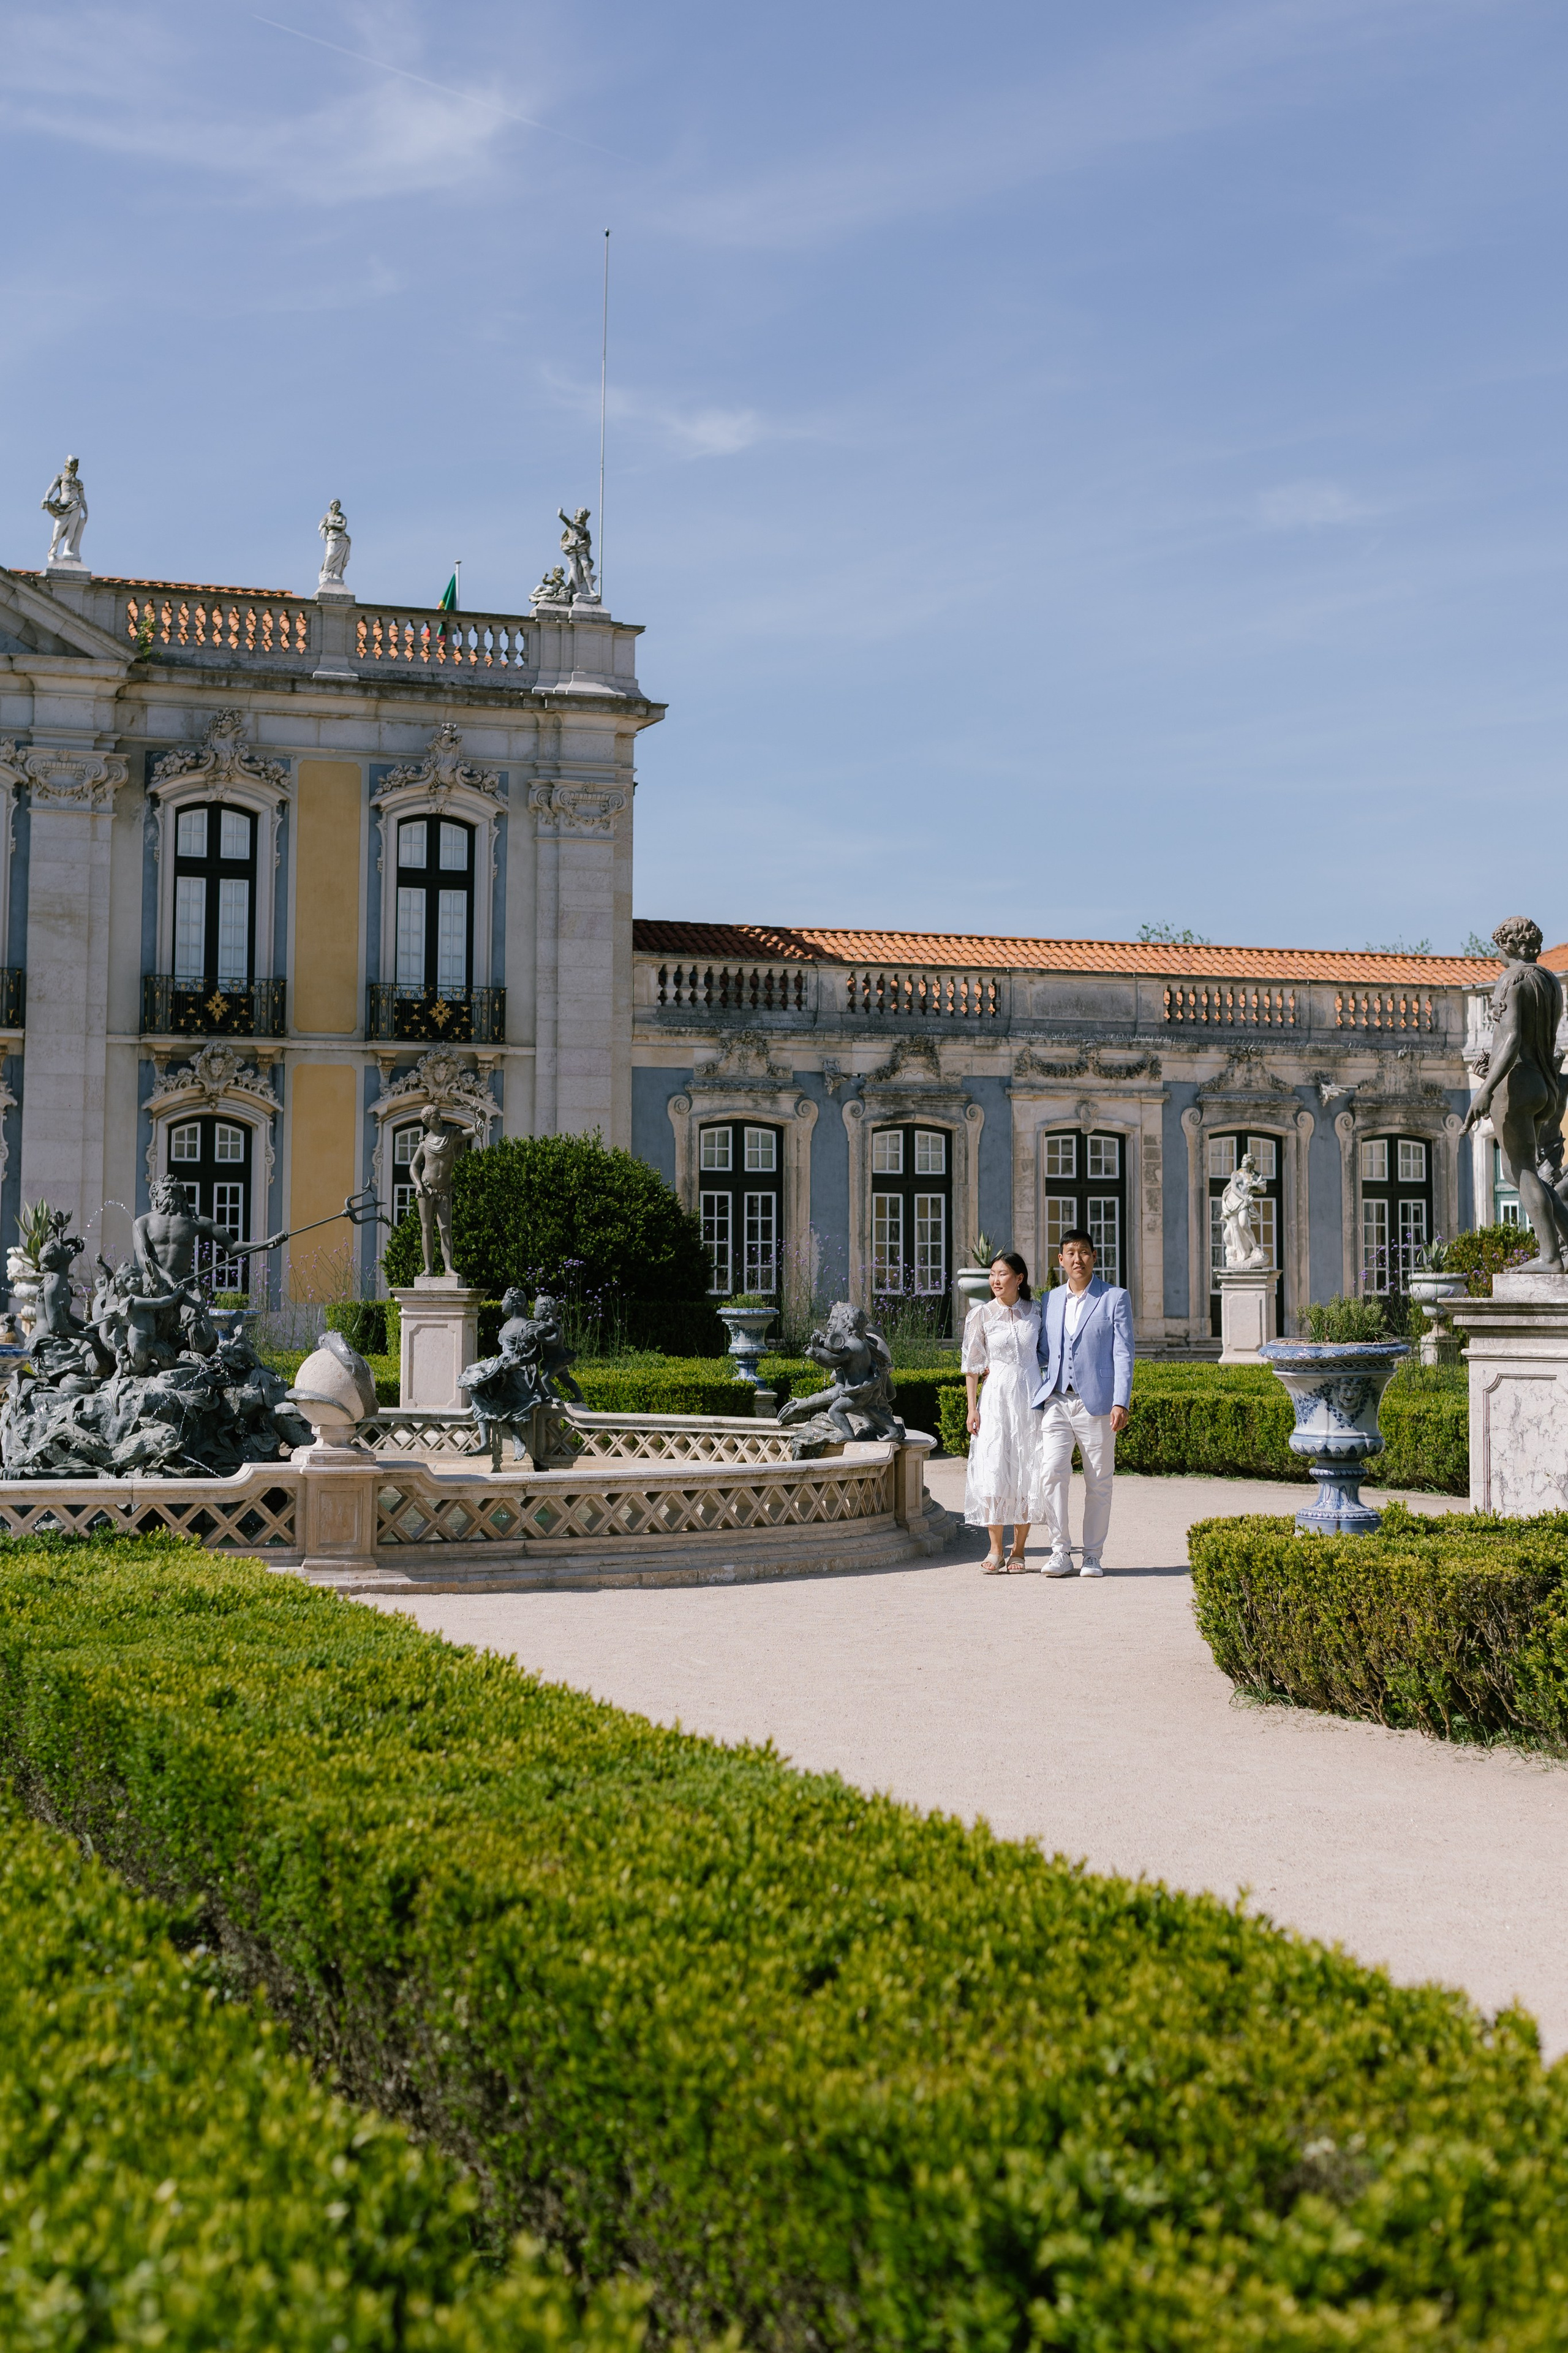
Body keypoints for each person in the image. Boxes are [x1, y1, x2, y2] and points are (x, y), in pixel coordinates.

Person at [1030, 1228, 1134, 1578]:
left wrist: (1121, 1401)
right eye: (1071, 1253)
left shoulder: (1115, 1297)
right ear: (1061, 1260)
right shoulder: (1050, 1299)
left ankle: (1092, 1556)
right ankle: (1060, 1551)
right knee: (1051, 1473)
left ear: (1094, 1257)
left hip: (1099, 1403)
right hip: (1058, 1400)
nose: (1078, 1259)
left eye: (1084, 1252)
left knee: (1099, 1481)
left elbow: (1124, 1354)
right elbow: (1042, 1351)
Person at [962, 1250, 1047, 1573]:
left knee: (1028, 1467)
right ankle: (996, 1549)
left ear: (1019, 1278)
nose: (996, 1280)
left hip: (1030, 1396)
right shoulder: (981, 1315)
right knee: (995, 1466)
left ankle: (1019, 1550)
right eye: (992, 1274)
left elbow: (1048, 1353)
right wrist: (972, 1409)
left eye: (1003, 1274)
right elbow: (972, 1366)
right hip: (995, 1398)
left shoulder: (1037, 1311)